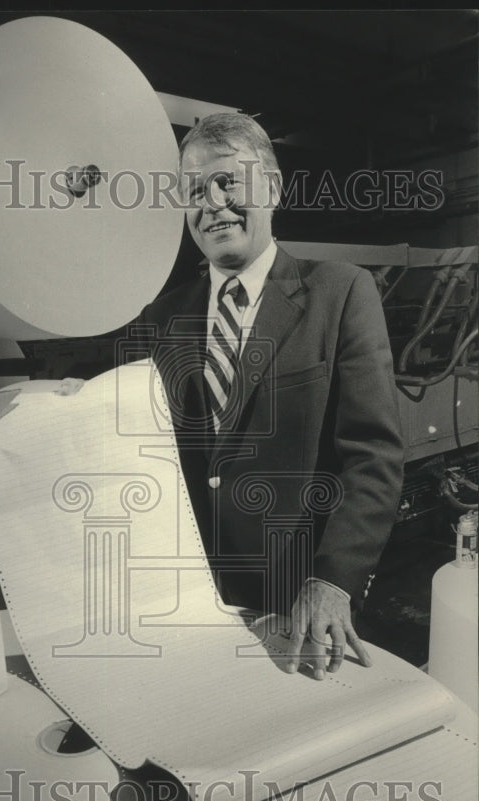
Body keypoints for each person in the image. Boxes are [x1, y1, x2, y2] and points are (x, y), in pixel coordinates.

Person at [133, 112, 404, 678]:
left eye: (230, 182)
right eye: (194, 191)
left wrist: (333, 582)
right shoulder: (163, 318)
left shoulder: (339, 292)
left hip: (301, 610)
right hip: (194, 610)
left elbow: (373, 458)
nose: (213, 204)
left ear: (273, 189)